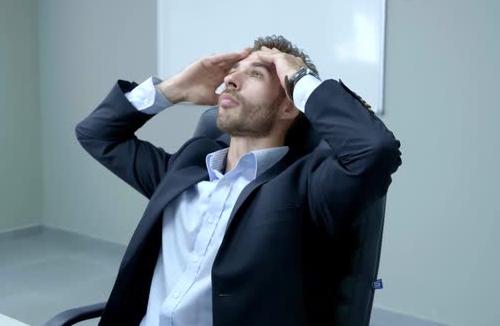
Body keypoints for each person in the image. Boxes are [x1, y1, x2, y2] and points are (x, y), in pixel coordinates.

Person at [76, 35, 401, 326]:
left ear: (289, 106)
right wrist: (173, 90)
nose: (230, 79)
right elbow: (96, 134)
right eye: (235, 71)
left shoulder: (309, 188)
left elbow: (374, 150)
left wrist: (301, 80)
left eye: (255, 74)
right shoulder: (185, 167)